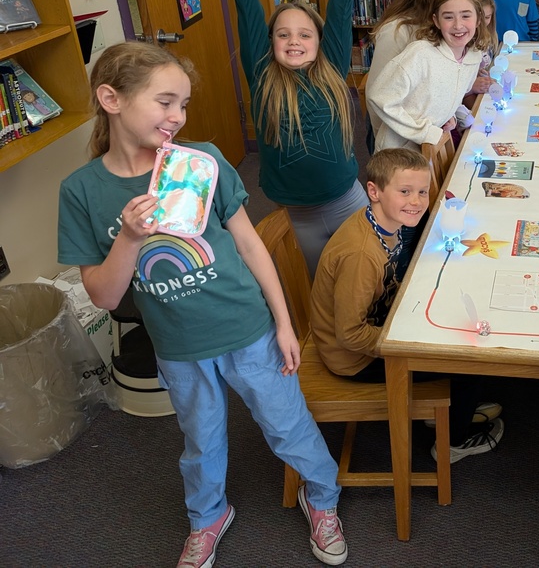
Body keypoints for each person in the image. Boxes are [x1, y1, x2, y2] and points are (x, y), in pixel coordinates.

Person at [57, 43, 349, 568]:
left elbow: (251, 244)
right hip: (178, 347)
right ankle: (207, 516)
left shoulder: (202, 161)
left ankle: (322, 497)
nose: (178, 116)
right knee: (201, 439)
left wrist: (284, 323)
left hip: (247, 329)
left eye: (184, 105)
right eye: (165, 101)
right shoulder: (82, 190)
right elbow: (103, 295)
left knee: (288, 424)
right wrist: (128, 236)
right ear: (111, 99)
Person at [309, 148, 504, 463]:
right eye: (404, 192)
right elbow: (349, 334)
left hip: (377, 322)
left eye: (422, 191)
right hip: (351, 358)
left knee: (451, 317)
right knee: (470, 360)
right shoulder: (361, 255)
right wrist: (415, 345)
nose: (416, 201)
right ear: (374, 191)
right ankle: (454, 440)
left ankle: (456, 406)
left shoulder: (383, 222)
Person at [212, 0, 363, 277]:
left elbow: (342, 1)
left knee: (368, 281)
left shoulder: (331, 65)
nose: (294, 41)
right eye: (283, 34)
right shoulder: (263, 75)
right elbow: (247, 6)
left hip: (350, 201)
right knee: (317, 296)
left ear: (319, 40)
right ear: (271, 43)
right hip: (297, 217)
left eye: (304, 34)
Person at [367, 0, 486, 152]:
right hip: (398, 153)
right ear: (436, 20)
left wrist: (448, 114)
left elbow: (447, 93)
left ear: (478, 19)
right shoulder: (420, 54)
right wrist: (424, 132)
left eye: (466, 16)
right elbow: (379, 96)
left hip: (430, 148)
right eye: (448, 17)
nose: (458, 25)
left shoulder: (473, 57)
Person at [365, 0, 459, 147]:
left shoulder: (432, 26)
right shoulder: (396, 31)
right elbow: (377, 94)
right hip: (396, 137)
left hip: (421, 131)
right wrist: (387, 143)